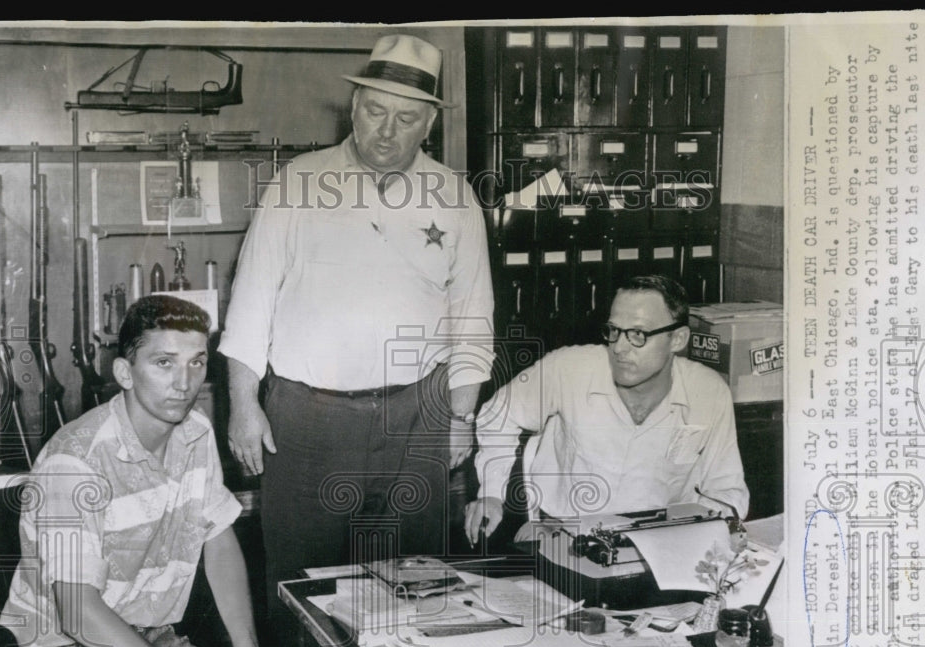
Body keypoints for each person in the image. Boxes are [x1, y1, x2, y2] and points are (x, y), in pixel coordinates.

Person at [219, 33, 494, 580]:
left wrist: (462, 417)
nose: (387, 131)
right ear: (354, 107)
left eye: (407, 118)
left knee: (415, 578)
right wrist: (243, 406)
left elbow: (473, 316)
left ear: (430, 124)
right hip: (308, 419)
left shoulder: (455, 196)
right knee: (301, 580)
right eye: (375, 111)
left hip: (417, 415)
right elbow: (249, 304)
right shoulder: (296, 184)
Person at [0, 295, 285, 647]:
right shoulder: (74, 461)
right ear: (125, 373)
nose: (185, 383)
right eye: (164, 363)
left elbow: (218, 539)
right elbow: (78, 613)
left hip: (154, 639)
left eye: (197, 362)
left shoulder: (196, 433)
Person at [465, 275, 748, 545]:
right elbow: (497, 414)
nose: (620, 348)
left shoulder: (709, 393)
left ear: (677, 339)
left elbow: (726, 487)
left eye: (638, 334)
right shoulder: (568, 368)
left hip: (658, 537)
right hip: (561, 531)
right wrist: (491, 493)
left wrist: (701, 533)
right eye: (614, 331)